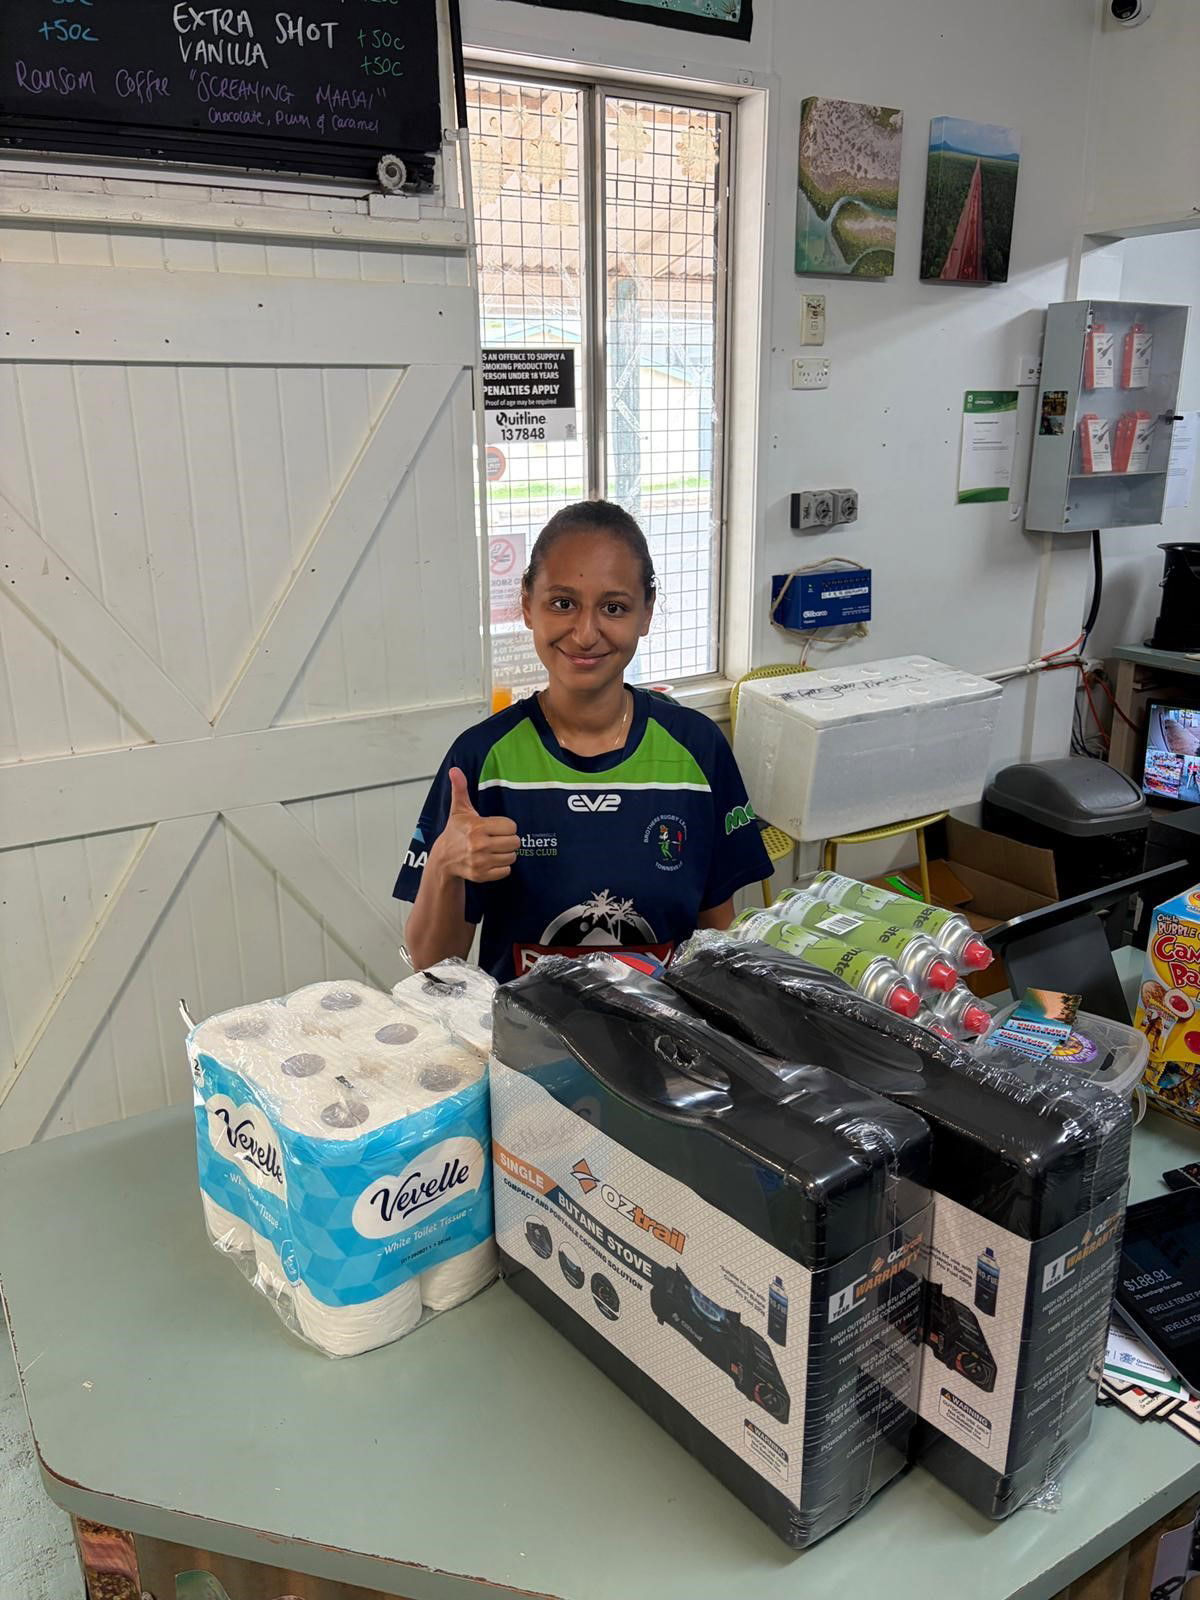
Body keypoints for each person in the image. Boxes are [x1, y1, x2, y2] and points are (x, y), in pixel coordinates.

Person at [395, 499, 772, 981]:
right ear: (528, 605)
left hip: (664, 1043)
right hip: (530, 1048)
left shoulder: (697, 749)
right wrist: (444, 865)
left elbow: (718, 931)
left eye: (613, 607)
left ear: (646, 614)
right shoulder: (482, 759)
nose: (586, 633)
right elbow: (432, 965)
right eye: (563, 603)